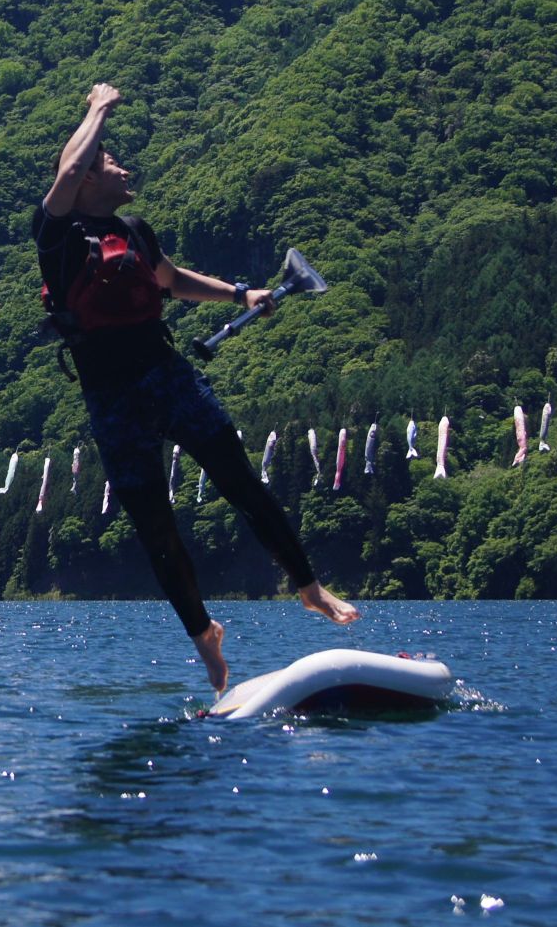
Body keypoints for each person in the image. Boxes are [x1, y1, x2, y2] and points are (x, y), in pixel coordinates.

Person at [37, 83, 356, 691]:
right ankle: (203, 635)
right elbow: (71, 165)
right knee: (157, 525)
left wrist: (241, 293)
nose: (123, 168)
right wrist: (98, 107)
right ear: (82, 183)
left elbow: (172, 280)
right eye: (110, 163)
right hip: (111, 397)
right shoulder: (57, 234)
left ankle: (309, 587)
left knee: (239, 478)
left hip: (168, 375)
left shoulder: (133, 228)